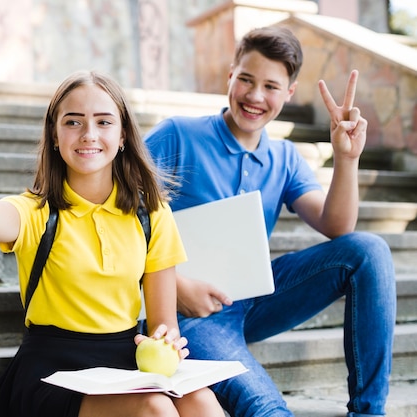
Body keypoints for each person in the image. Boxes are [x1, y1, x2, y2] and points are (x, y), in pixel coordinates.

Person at [0, 70, 225, 417]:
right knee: (155, 409)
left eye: (104, 122)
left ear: (122, 137)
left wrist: (165, 343)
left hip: (123, 361)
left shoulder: (152, 213)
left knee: (202, 401)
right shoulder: (36, 211)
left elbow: (165, 325)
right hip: (52, 369)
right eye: (73, 122)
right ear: (55, 136)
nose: (89, 134)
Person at [143, 26, 396, 417]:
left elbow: (337, 227)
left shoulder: (286, 157)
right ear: (230, 76)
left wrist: (346, 158)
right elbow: (116, 218)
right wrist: (174, 285)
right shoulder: (177, 136)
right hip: (190, 313)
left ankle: (368, 412)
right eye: (245, 79)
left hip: (256, 301)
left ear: (289, 93)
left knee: (369, 250)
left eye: (271, 86)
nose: (255, 96)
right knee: (267, 410)